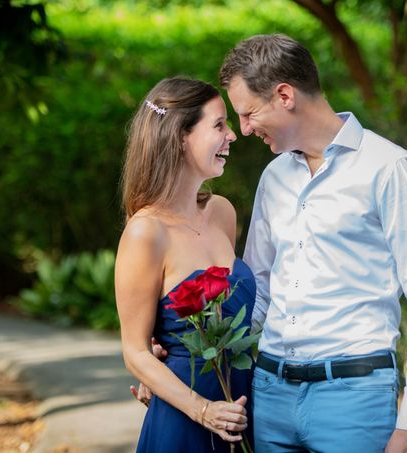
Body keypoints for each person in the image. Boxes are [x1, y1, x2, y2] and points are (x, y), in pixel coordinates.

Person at [216, 34, 407, 452]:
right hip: (269, 395)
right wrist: (188, 356)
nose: (245, 129)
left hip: (355, 400)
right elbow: (259, 293)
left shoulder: (389, 168)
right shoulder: (273, 178)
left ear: (285, 95)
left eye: (249, 113)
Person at [115, 77, 256, 452]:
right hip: (186, 421)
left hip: (244, 410)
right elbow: (136, 351)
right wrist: (204, 411)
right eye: (219, 125)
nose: (233, 135)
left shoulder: (222, 212)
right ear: (180, 137)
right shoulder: (145, 233)